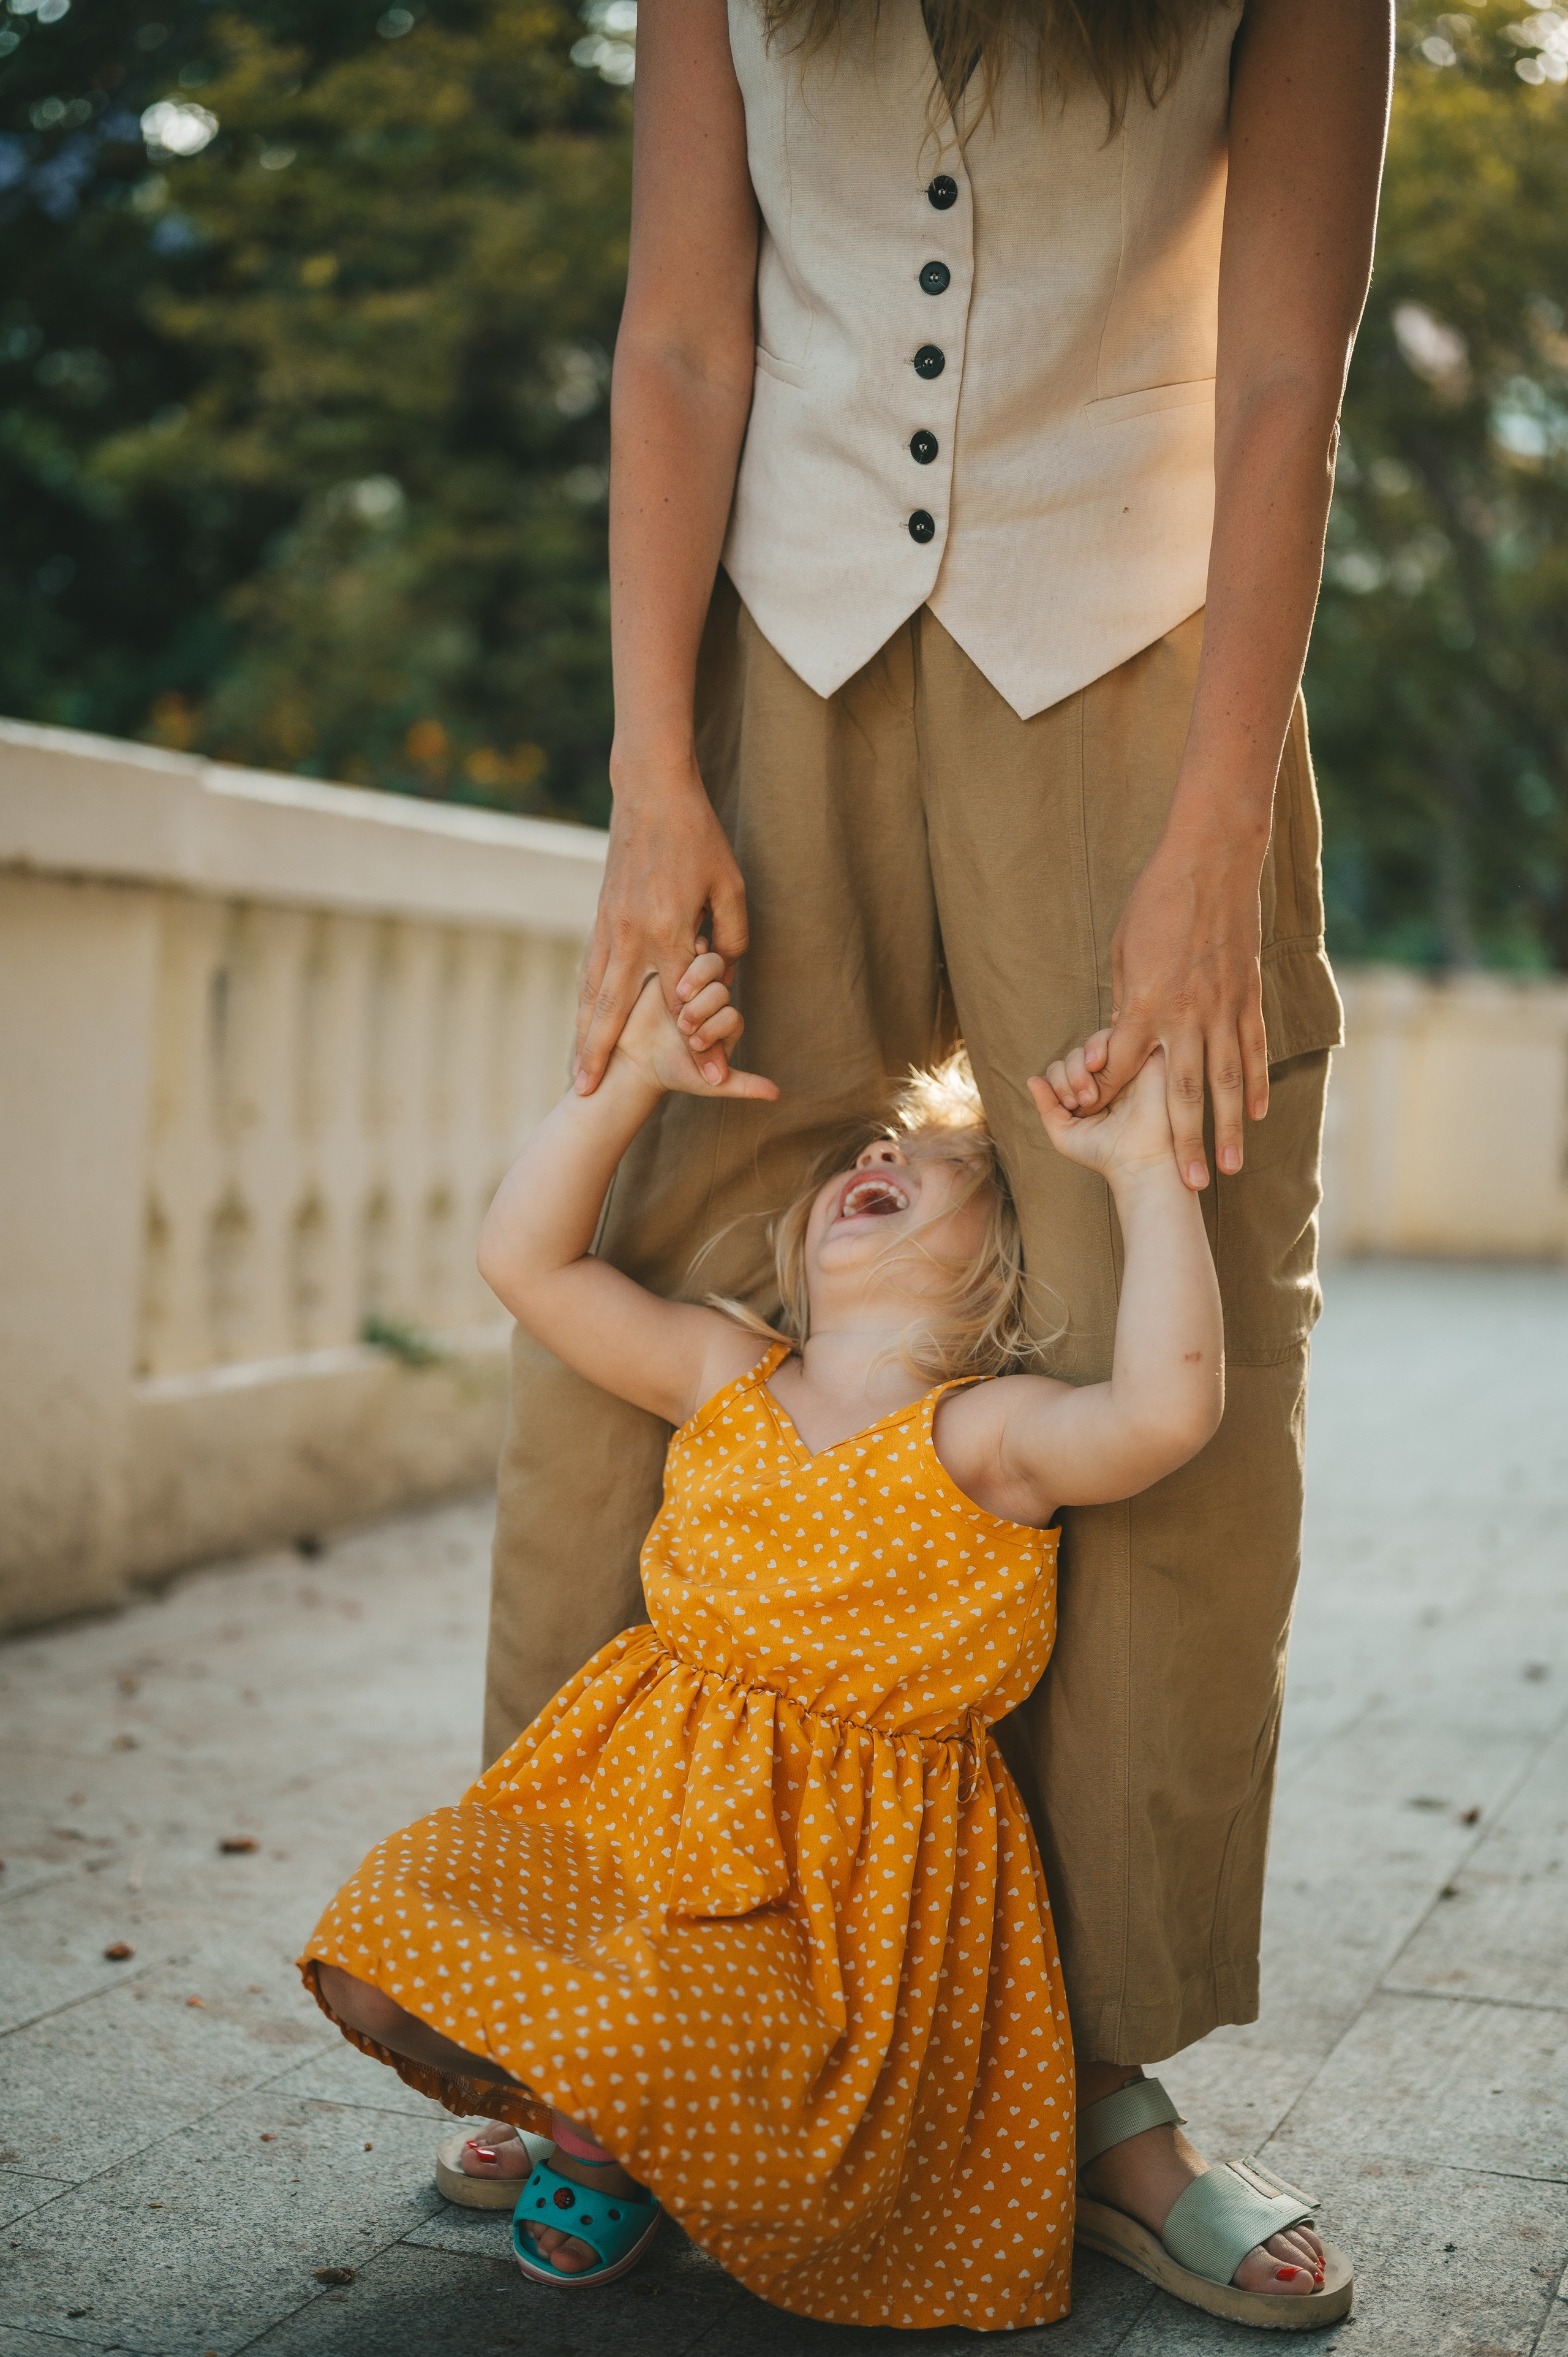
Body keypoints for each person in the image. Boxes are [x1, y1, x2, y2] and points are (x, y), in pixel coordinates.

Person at [480, 0, 1392, 2320]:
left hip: (1136, 653)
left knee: (1169, 1321)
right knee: (659, 1266)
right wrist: (645, 771)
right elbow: (683, 335)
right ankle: (596, 1992)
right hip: (770, 647)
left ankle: (1086, 2079)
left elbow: (1288, 374)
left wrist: (1214, 824)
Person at [302, 958, 1346, 2327]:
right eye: (868, 1154)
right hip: (639, 1806)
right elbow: (525, 1262)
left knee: (676, 2019)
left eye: (929, 1161)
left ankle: (607, 2134)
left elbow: (1162, 1412)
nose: (881, 1156)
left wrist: (1146, 1175)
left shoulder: (982, 1434)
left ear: (1001, 1257)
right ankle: (597, 2101)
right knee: (384, 1939)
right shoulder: (723, 1374)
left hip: (838, 1881)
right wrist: (624, 1088)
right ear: (801, 1239)